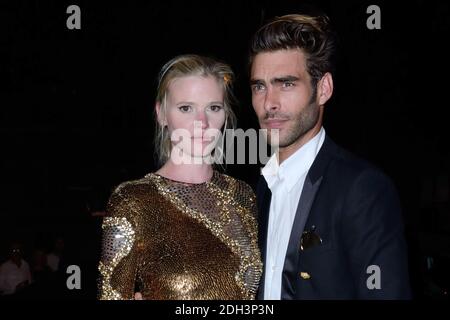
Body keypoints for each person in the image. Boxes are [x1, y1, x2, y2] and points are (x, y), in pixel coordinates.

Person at [249, 13, 411, 299]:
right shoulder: (262, 188)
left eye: (286, 84)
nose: (269, 103)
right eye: (259, 86)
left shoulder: (363, 188)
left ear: (323, 89)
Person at [98, 54, 262, 300]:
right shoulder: (133, 200)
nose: (202, 123)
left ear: (225, 114)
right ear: (162, 114)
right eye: (186, 108)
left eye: (213, 108)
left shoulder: (243, 195)